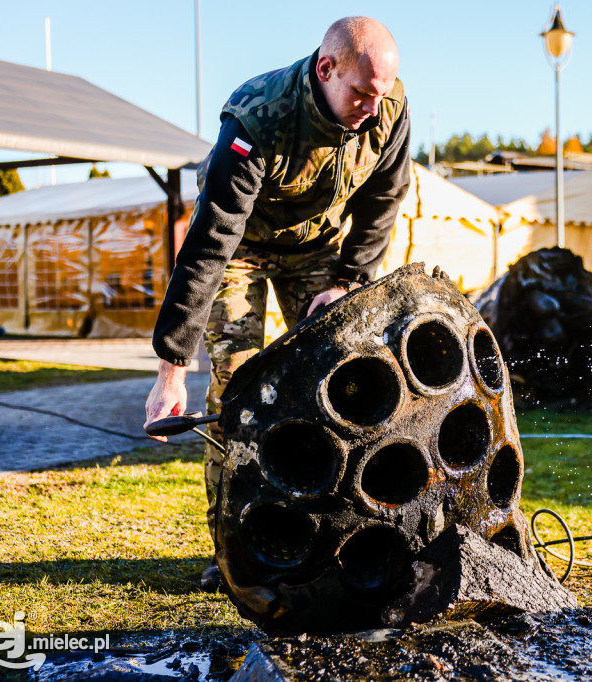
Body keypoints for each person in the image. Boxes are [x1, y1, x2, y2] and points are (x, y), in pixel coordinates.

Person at [142, 16, 411, 589]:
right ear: (325, 68)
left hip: (318, 249)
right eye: (360, 94)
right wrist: (171, 368)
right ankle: (235, 551)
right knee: (240, 393)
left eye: (379, 94)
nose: (370, 106)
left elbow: (384, 200)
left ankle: (353, 531)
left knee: (351, 377)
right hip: (242, 246)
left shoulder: (387, 108)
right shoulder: (257, 117)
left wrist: (346, 280)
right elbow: (210, 241)